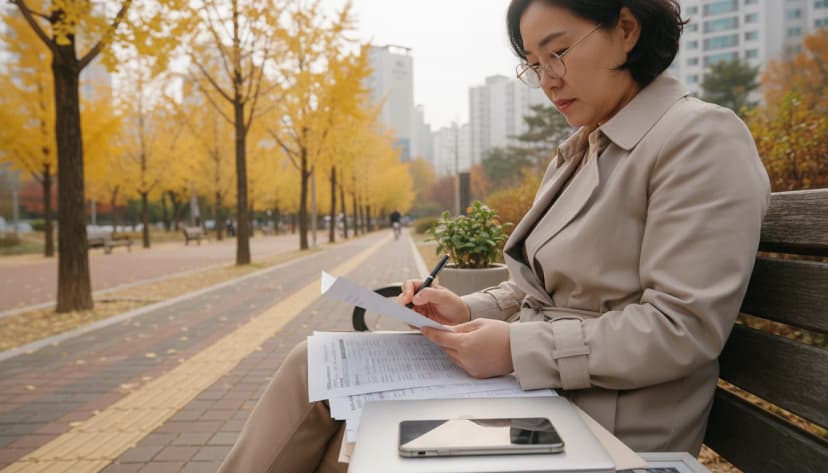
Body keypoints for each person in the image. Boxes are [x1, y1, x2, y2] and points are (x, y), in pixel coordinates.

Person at [217, 1, 770, 471]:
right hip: (542, 394)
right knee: (316, 369)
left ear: (626, 29)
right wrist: (465, 306)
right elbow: (539, 288)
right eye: (533, 64)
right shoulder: (580, 151)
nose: (548, 78)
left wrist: (515, 348)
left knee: (348, 439)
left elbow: (682, 329)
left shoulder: (699, 138)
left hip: (610, 424)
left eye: (558, 51)